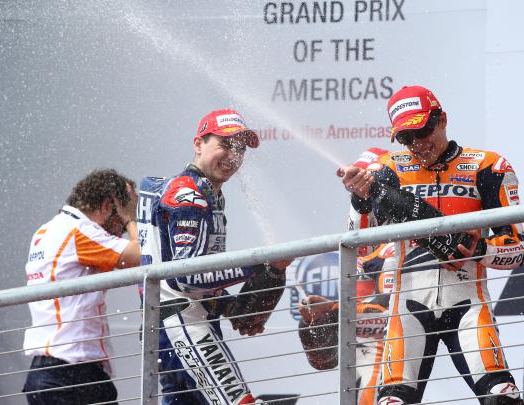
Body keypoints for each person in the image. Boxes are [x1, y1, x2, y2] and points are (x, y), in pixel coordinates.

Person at [340, 85, 524, 405]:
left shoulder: (488, 166)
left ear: (442, 119)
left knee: (503, 398)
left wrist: (482, 250)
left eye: (422, 130)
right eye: (405, 138)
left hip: (468, 305)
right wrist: (360, 201)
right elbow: (359, 247)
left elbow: (517, 253)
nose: (417, 144)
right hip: (407, 309)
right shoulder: (387, 168)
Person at [137, 109, 292, 405]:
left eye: (240, 148)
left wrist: (228, 304)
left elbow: (182, 271)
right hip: (179, 326)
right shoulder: (188, 196)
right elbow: (185, 277)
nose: (234, 155)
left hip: (178, 322)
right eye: (225, 144)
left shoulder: (205, 192)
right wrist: (258, 262)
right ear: (199, 144)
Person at [23, 169, 141, 405]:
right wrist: (131, 221)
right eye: (121, 217)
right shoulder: (80, 231)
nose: (120, 232)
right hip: (73, 373)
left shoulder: (46, 231)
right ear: (108, 206)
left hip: (45, 373)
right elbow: (141, 256)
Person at [298, 147, 393, 405]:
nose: (363, 189)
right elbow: (323, 360)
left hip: (405, 343)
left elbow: (397, 303)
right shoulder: (360, 225)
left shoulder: (408, 228)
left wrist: (336, 309)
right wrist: (319, 318)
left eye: (369, 182)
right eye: (357, 184)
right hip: (368, 353)